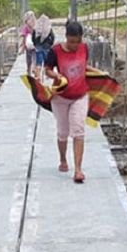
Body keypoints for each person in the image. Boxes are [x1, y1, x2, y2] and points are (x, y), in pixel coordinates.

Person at [44, 20, 98, 183]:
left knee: (78, 130)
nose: (75, 45)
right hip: (60, 97)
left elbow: (83, 67)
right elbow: (47, 70)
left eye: (78, 41)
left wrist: (100, 73)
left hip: (80, 95)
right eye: (71, 41)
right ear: (66, 37)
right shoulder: (55, 51)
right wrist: (56, 76)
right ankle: (63, 159)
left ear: (81, 39)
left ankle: (78, 170)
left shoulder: (84, 48)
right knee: (63, 132)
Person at [32, 14, 54, 80]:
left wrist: (35, 44)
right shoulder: (48, 28)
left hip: (38, 46)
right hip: (47, 47)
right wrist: (50, 44)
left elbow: (33, 37)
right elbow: (52, 37)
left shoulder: (36, 27)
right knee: (46, 62)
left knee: (38, 62)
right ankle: (47, 75)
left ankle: (38, 76)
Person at [20, 11, 37, 76]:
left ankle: (31, 69)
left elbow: (23, 36)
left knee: (31, 58)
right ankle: (31, 68)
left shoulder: (28, 27)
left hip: (31, 45)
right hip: (31, 45)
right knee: (31, 58)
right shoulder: (29, 27)